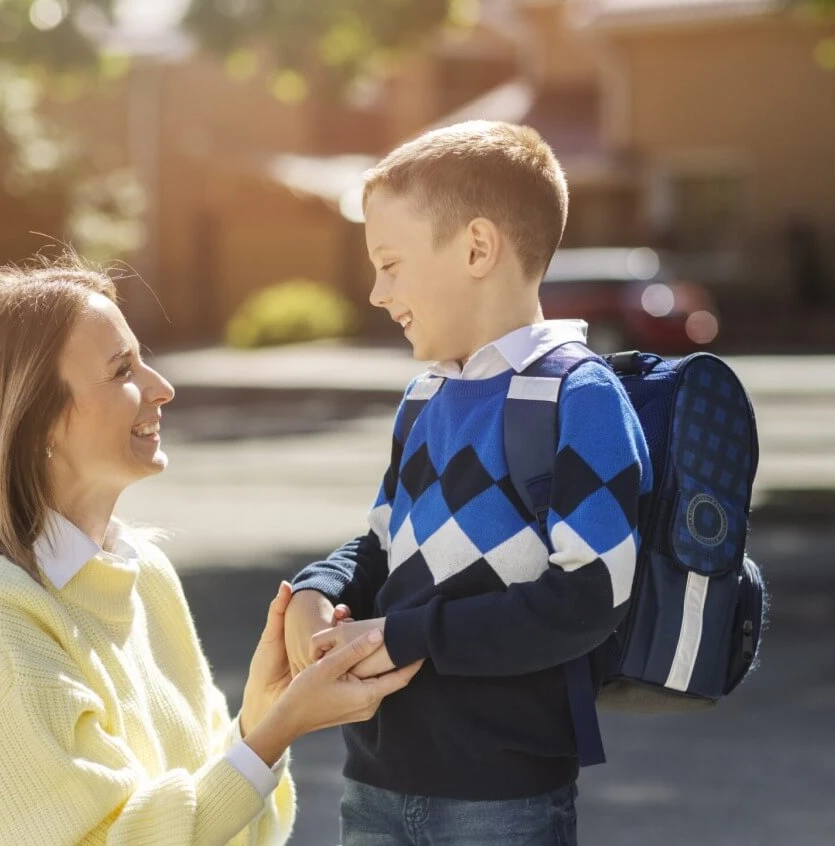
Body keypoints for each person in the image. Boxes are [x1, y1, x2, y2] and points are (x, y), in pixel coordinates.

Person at [0, 261, 422, 845]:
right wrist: (275, 733)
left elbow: (235, 833)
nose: (161, 386)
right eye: (123, 370)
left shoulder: (144, 574)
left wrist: (262, 721)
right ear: (33, 420)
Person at [283, 121, 653, 845]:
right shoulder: (424, 396)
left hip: (501, 797)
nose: (376, 291)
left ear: (478, 249)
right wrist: (318, 589)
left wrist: (406, 637)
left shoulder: (579, 396)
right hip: (376, 782)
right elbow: (384, 545)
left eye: (391, 264)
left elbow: (591, 593)